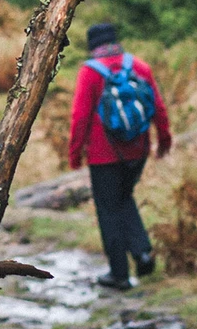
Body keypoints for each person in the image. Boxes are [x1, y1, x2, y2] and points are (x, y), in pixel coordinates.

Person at [68, 22, 172, 290]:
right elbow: (158, 107)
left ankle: (119, 274)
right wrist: (163, 140)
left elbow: (80, 117)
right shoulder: (139, 66)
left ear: (93, 47)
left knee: (109, 210)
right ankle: (142, 253)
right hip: (138, 150)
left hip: (104, 156)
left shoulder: (90, 73)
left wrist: (74, 154)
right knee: (125, 198)